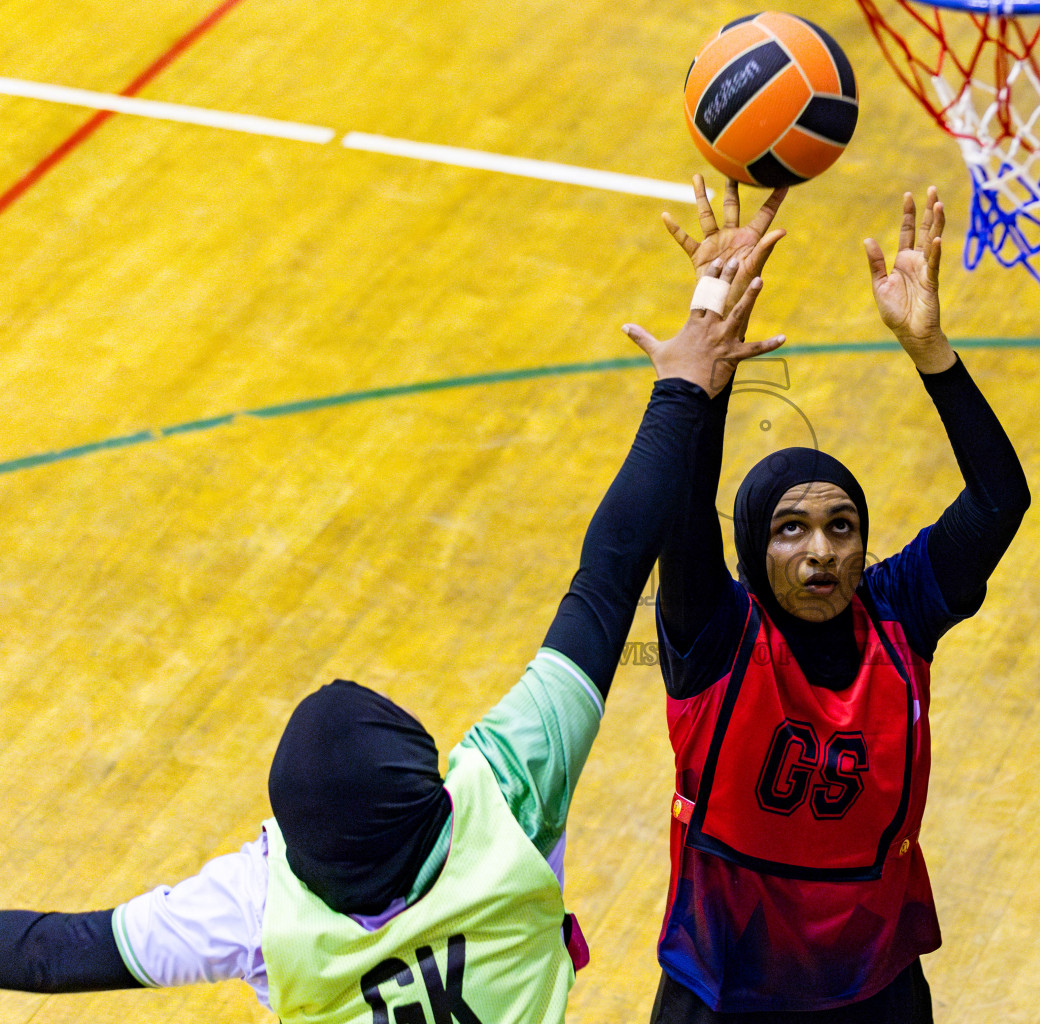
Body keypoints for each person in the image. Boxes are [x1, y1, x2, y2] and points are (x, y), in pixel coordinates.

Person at [0, 256, 784, 1023]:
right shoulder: (508, 791)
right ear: (429, 791)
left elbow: (49, 953)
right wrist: (685, 384)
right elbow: (610, 570)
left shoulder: (256, 906)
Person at [649, 178, 1031, 1022]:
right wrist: (713, 328)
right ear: (754, 551)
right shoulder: (715, 635)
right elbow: (680, 514)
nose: (820, 550)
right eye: (789, 531)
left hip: (874, 989)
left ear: (863, 546)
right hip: (724, 991)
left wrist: (932, 350)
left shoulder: (899, 614)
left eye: (841, 527)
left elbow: (1000, 498)